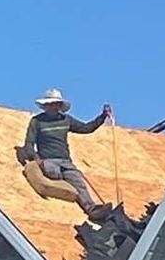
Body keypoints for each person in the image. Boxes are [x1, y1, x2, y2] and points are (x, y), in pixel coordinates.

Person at [21, 88, 112, 217]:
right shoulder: (37, 122)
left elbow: (86, 128)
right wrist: (37, 160)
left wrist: (102, 117)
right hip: (48, 161)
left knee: (78, 182)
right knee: (53, 173)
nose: (53, 107)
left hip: (65, 161)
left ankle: (92, 209)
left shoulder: (66, 120)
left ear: (59, 106)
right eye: (50, 104)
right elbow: (29, 143)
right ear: (45, 106)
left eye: (56, 104)